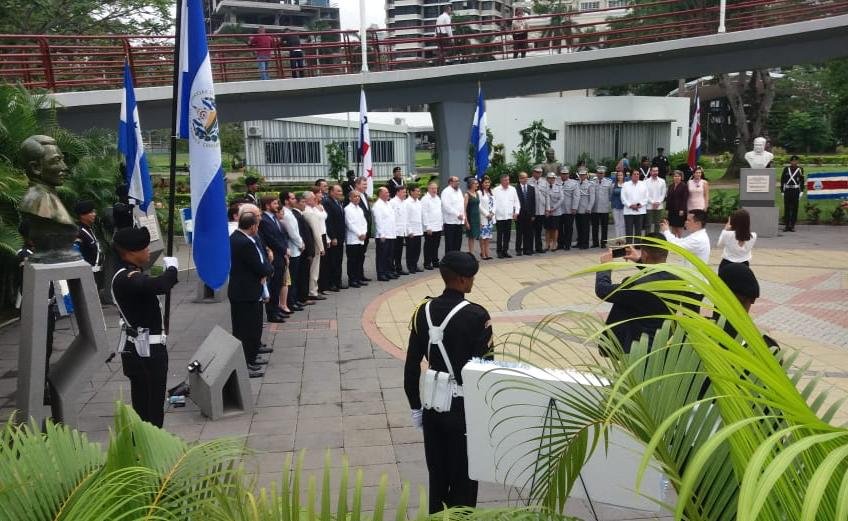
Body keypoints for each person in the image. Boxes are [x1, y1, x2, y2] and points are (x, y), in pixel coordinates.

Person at [404, 251, 493, 513]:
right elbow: (484, 371)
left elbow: (411, 366)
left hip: (433, 407)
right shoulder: (477, 315)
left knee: (438, 480)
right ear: (464, 281)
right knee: (464, 485)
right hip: (463, 412)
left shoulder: (423, 311)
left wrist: (415, 408)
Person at [111, 226, 179, 425]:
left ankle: (143, 447)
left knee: (149, 405)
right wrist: (172, 269)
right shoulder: (127, 277)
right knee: (150, 409)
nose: (148, 251)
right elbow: (160, 286)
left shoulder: (129, 273)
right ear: (131, 252)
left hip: (143, 349)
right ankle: (147, 448)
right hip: (145, 352)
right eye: (145, 248)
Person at [595, 233, 676, 355]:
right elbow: (657, 275)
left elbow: (603, 290)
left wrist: (605, 267)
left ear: (645, 254)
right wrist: (639, 261)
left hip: (637, 348)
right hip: (663, 343)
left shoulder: (637, 285)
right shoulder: (677, 279)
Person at [228, 211, 273, 379]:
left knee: (251, 328)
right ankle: (245, 364)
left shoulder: (236, 238)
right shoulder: (244, 243)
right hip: (246, 292)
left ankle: (251, 358)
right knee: (246, 330)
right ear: (253, 226)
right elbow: (259, 266)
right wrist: (269, 268)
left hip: (244, 290)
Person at [257, 195, 288, 322]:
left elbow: (281, 236)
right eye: (275, 204)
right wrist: (284, 250)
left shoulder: (274, 218)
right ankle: (272, 313)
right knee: (274, 285)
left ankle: (276, 309)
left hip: (281, 255)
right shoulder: (264, 220)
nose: (277, 206)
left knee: (279, 283)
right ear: (267, 205)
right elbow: (271, 239)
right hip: (274, 256)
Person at [279, 191, 305, 312]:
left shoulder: (290, 212)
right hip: (293, 249)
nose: (295, 200)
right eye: (293, 198)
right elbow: (292, 232)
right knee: (292, 279)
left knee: (295, 277)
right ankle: (291, 301)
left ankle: (294, 300)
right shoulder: (286, 214)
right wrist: (300, 243)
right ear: (286, 201)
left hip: (296, 249)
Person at [302, 191, 327, 301]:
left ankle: (313, 290)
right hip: (315, 243)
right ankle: (313, 291)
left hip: (314, 241)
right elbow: (316, 232)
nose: (315, 199)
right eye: (312, 198)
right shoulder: (309, 212)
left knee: (314, 268)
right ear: (306, 200)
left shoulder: (311, 210)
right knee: (314, 269)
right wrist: (321, 247)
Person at [292, 193, 315, 305]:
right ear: (296, 203)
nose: (304, 204)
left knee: (304, 274)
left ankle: (303, 296)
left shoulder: (299, 214)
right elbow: (301, 234)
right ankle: (302, 297)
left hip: (305, 249)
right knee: (302, 275)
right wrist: (306, 249)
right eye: (302, 202)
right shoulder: (296, 215)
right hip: (302, 249)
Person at [323, 184, 346, 290]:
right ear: (331, 192)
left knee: (339, 259)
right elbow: (329, 221)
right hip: (335, 237)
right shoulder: (328, 202)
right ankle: (331, 283)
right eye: (338, 191)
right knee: (333, 260)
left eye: (341, 191)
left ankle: (338, 281)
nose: (340, 193)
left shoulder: (338, 202)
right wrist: (333, 237)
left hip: (341, 236)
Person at [73, 200, 103, 284]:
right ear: (82, 215)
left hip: (96, 273)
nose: (94, 214)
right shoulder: (79, 232)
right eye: (91, 212)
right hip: (87, 275)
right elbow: (77, 254)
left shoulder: (89, 229)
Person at [345, 190, 369, 288]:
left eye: (358, 196)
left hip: (361, 238)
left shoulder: (359, 209)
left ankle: (358, 278)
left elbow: (364, 222)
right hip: (353, 238)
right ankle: (352, 279)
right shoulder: (347, 209)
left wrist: (364, 232)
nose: (357, 198)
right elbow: (349, 224)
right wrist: (359, 233)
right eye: (355, 196)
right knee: (352, 260)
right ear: (350, 198)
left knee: (360, 259)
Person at [492, 174, 520, 258]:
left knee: (507, 235)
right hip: (499, 216)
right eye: (505, 180)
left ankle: (505, 251)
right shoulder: (496, 190)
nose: (507, 182)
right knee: (500, 235)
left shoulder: (512, 189)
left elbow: (516, 202)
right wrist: (493, 216)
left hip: (509, 216)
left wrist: (516, 212)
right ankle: (499, 251)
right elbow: (493, 204)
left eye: (508, 180)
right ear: (501, 181)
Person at [373, 187, 396, 281]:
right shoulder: (377, 205)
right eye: (386, 192)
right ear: (380, 194)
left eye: (388, 192)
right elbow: (378, 221)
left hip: (390, 233)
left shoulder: (388, 203)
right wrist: (381, 233)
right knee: (382, 255)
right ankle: (381, 273)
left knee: (389, 255)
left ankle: (388, 272)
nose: (388, 194)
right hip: (383, 235)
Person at [620, 169, 647, 243]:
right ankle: (629, 246)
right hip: (628, 212)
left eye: (638, 174)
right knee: (629, 230)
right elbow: (623, 198)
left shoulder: (643, 184)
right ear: (631, 176)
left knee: (638, 230)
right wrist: (630, 205)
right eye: (634, 174)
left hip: (640, 211)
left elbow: (646, 197)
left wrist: (638, 205)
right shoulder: (625, 184)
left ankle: (637, 246)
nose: (636, 175)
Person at [422, 181, 444, 269]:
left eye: (436, 188)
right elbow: (424, 214)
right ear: (428, 188)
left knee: (436, 245)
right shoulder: (425, 199)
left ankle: (435, 261)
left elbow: (440, 212)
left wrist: (441, 223)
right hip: (430, 227)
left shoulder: (438, 198)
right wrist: (427, 227)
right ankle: (427, 263)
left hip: (438, 226)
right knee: (428, 246)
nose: (435, 190)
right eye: (433, 188)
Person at [780, 155, 804, 232]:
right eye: (792, 161)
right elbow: (782, 180)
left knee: (794, 208)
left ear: (797, 162)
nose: (794, 162)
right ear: (790, 162)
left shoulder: (800, 169)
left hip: (795, 190)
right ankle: (787, 225)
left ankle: (792, 225)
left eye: (796, 161)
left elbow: (802, 181)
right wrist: (782, 191)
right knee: (787, 208)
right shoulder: (786, 169)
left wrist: (801, 191)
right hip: (787, 190)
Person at [441, 176, 465, 253]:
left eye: (458, 181)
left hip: (459, 222)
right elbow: (446, 206)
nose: (458, 183)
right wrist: (457, 214)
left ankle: (456, 261)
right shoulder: (446, 191)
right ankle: (449, 261)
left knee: (458, 243)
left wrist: (463, 216)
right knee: (450, 244)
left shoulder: (459, 190)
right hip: (450, 222)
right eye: (456, 181)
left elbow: (462, 204)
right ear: (450, 182)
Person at [527, 165, 548, 253]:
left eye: (540, 172)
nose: (538, 174)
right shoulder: (528, 181)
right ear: (533, 172)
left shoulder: (544, 182)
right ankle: (530, 248)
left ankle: (539, 247)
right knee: (530, 231)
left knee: (539, 230)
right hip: (532, 211)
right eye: (537, 172)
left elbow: (547, 196)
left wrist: (547, 209)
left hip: (541, 210)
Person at [591, 166, 613, 248]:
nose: (600, 174)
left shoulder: (609, 182)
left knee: (604, 227)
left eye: (602, 173)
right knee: (595, 227)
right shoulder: (592, 182)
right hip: (595, 208)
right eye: (599, 173)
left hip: (604, 208)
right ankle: (595, 243)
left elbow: (610, 195)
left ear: (604, 174)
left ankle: (603, 243)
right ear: (596, 173)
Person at [514, 171, 536, 256]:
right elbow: (514, 202)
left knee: (529, 232)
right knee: (519, 233)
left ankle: (528, 249)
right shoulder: (515, 189)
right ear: (519, 179)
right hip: (519, 214)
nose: (525, 179)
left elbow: (533, 202)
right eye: (523, 178)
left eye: (526, 177)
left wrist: (533, 214)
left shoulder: (531, 188)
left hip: (529, 214)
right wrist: (515, 213)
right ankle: (518, 250)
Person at [391, 186, 410, 276]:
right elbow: (392, 218)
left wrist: (407, 230)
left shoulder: (405, 203)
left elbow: (406, 217)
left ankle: (399, 268)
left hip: (402, 231)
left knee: (399, 251)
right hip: (395, 231)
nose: (405, 194)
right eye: (403, 192)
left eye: (405, 192)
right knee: (394, 252)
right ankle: (393, 268)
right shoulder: (392, 202)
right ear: (397, 192)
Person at [558, 167, 578, 250]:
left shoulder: (574, 183)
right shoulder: (556, 182)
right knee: (559, 227)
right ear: (560, 174)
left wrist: (574, 207)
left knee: (568, 228)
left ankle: (567, 244)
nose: (564, 175)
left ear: (568, 174)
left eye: (566, 174)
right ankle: (560, 244)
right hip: (558, 209)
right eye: (563, 173)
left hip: (569, 209)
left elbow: (576, 196)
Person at [574, 169, 595, 249]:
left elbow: (592, 198)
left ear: (586, 175)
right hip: (578, 208)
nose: (582, 176)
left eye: (583, 175)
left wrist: (589, 208)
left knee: (585, 228)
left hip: (585, 209)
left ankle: (585, 244)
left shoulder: (590, 184)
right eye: (580, 175)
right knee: (579, 227)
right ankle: (579, 242)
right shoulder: (577, 184)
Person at [644, 166, 668, 234]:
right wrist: (652, 202)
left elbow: (663, 193)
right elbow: (645, 194)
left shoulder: (662, 181)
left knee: (657, 224)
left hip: (659, 206)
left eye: (656, 171)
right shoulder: (646, 182)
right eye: (654, 171)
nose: (655, 172)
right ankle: (647, 240)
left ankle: (656, 240)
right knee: (648, 224)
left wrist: (658, 202)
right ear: (651, 172)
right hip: (649, 206)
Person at [665, 170, 689, 238]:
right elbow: (668, 199)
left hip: (680, 211)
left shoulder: (684, 186)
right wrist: (667, 209)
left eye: (678, 176)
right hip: (672, 210)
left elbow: (685, 199)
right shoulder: (670, 186)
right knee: (673, 228)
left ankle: (679, 242)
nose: (676, 177)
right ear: (673, 177)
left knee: (679, 228)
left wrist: (682, 209)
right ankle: (674, 243)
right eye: (675, 176)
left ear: (681, 177)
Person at [406, 186, 425, 272]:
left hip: (418, 229)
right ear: (411, 192)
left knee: (417, 249)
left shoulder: (419, 202)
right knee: (411, 249)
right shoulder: (407, 203)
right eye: (417, 191)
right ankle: (410, 266)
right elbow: (406, 218)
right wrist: (409, 230)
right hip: (411, 230)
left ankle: (415, 265)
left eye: (419, 191)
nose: (419, 193)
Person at [544, 172, 563, 252]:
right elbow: (544, 199)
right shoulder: (544, 187)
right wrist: (548, 209)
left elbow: (561, 199)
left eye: (553, 178)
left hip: (556, 211)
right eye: (549, 178)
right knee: (547, 228)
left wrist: (553, 208)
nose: (551, 180)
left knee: (555, 228)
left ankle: (554, 244)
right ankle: (547, 244)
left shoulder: (559, 187)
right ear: (547, 179)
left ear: (555, 179)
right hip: (547, 211)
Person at [477, 176, 495, 260]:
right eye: (485, 182)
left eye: (488, 182)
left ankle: (487, 253)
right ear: (482, 183)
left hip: (490, 218)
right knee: (482, 237)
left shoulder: (492, 192)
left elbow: (495, 204)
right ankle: (483, 253)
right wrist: (487, 214)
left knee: (487, 237)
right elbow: (479, 205)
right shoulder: (479, 193)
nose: (487, 184)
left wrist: (492, 213)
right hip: (483, 218)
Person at [464, 178, 481, 257]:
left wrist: (480, 220)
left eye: (477, 183)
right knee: (471, 237)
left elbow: (478, 207)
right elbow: (464, 209)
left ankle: (472, 254)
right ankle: (471, 255)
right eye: (475, 183)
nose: (477, 185)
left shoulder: (477, 193)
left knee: (474, 237)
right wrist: (466, 221)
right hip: (470, 218)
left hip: (476, 217)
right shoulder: (467, 194)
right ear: (471, 184)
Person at [610, 169, 626, 240]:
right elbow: (611, 195)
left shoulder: (626, 185)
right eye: (618, 175)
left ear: (623, 176)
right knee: (617, 224)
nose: (620, 176)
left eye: (621, 175)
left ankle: (622, 239)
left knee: (622, 224)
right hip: (615, 206)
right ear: (616, 176)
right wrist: (612, 205)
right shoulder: (613, 185)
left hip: (624, 207)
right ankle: (618, 239)